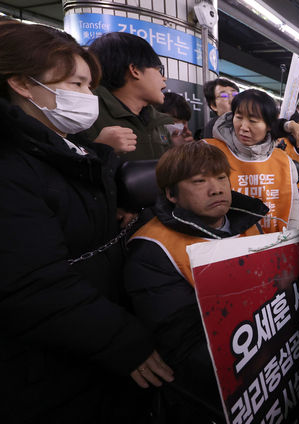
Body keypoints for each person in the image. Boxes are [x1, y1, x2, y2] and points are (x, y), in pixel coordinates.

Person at [0, 21, 174, 422]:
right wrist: (122, 339)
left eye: (87, 85)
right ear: (22, 85)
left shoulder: (68, 152)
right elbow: (32, 283)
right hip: (46, 370)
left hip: (83, 355)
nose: (87, 97)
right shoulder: (11, 164)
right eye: (76, 85)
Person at [125, 142, 268, 423]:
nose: (216, 189)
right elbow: (184, 346)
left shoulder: (250, 221)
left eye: (221, 178)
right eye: (199, 181)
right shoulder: (153, 249)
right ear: (171, 194)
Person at [204, 89, 299, 233]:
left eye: (253, 121)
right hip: (226, 248)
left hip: (274, 247)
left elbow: (293, 209)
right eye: (238, 117)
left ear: (269, 125)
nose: (243, 127)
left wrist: (294, 244)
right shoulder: (208, 152)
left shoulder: (284, 161)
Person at [80, 32, 174, 160]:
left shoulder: (158, 122)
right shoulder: (86, 116)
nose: (164, 78)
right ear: (134, 70)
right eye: (159, 70)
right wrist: (101, 149)